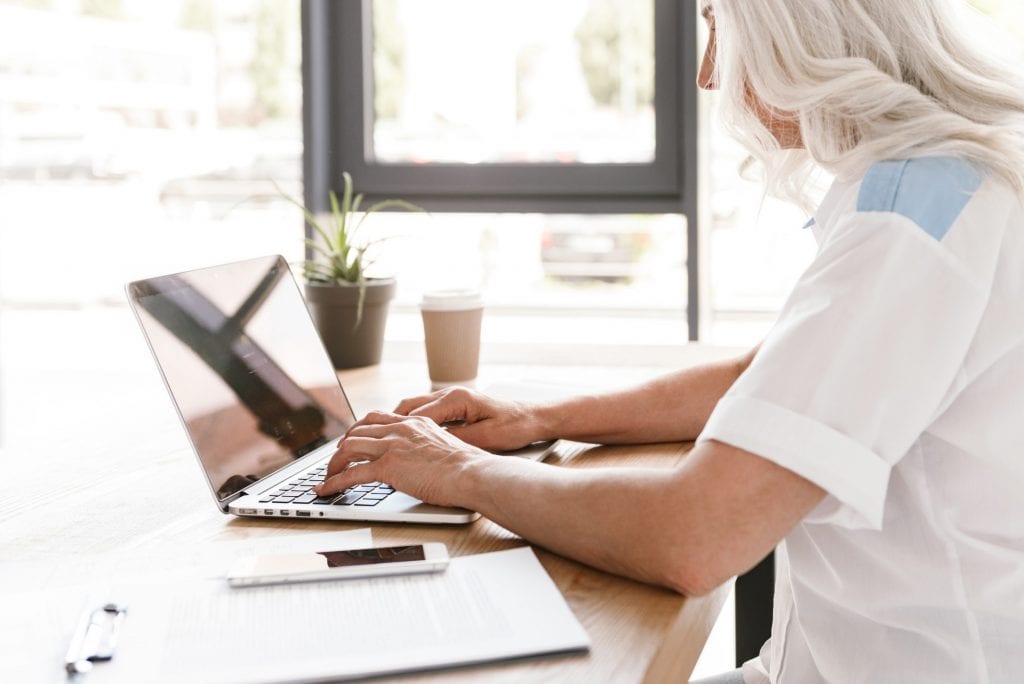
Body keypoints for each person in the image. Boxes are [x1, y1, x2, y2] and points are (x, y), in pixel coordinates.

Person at [316, 0, 1024, 681]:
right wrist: (550, 418)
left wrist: (456, 473)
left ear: (801, 26)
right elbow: (769, 373)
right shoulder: (941, 179)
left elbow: (696, 535)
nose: (708, 74)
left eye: (719, 26)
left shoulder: (911, 223)